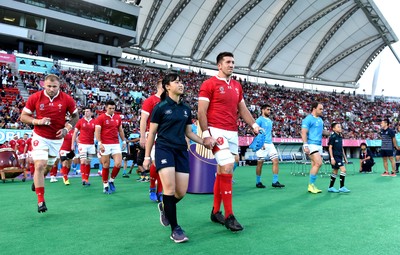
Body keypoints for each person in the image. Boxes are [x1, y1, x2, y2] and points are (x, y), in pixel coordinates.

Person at [198, 52, 260, 232]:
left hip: (233, 132)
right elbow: (202, 111)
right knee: (226, 168)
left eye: (233, 62)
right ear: (219, 65)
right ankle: (229, 216)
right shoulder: (209, 84)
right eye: (228, 62)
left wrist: (254, 125)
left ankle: (216, 211)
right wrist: (206, 134)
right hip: (216, 131)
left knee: (224, 169)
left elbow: (243, 109)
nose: (231, 65)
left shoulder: (236, 86)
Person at [144, 73, 206, 243]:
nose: (181, 84)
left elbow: (189, 133)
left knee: (181, 192)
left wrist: (204, 142)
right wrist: (147, 156)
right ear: (167, 86)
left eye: (181, 82)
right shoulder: (160, 107)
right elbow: (152, 134)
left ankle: (164, 206)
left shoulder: (186, 109)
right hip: (164, 149)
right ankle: (175, 229)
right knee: (169, 189)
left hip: (181, 151)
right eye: (176, 82)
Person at [20, 74, 78, 213]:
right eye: (49, 86)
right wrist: (37, 121)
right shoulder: (35, 97)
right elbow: (23, 117)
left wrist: (67, 128)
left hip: (57, 139)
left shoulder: (67, 99)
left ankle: (37, 181)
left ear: (59, 86)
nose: (51, 89)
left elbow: (75, 116)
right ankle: (41, 201)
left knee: (47, 168)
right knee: (39, 165)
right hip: (40, 136)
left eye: (54, 86)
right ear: (43, 85)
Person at [94, 100, 126, 194]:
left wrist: (123, 141)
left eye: (113, 108)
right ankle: (105, 185)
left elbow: (120, 130)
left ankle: (111, 180)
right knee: (106, 165)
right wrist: (100, 143)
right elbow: (97, 132)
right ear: (106, 108)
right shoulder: (101, 118)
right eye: (110, 108)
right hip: (105, 144)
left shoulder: (118, 117)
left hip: (115, 143)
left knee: (118, 164)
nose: (112, 110)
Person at [140, 79, 164, 202]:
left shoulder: (169, 101)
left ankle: (160, 190)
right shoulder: (150, 100)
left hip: (166, 135)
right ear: (161, 86)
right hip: (153, 135)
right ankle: (152, 188)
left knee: (163, 166)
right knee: (156, 163)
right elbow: (143, 120)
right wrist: (143, 136)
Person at [301, 102, 330, 194]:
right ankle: (310, 185)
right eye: (320, 109)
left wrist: (331, 133)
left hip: (319, 145)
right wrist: (305, 145)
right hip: (311, 145)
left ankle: (312, 185)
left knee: (314, 165)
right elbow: (303, 132)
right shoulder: (308, 119)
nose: (322, 110)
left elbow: (321, 131)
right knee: (319, 163)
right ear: (314, 108)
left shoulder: (320, 120)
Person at [254, 104, 285, 189]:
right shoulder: (259, 120)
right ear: (262, 110)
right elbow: (255, 131)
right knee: (260, 163)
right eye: (268, 109)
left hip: (270, 143)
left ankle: (275, 181)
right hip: (262, 143)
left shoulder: (270, 121)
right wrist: (260, 143)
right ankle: (258, 182)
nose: (269, 111)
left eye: (270, 110)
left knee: (276, 160)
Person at [72, 107, 96, 186]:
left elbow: (97, 132)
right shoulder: (80, 121)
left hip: (91, 144)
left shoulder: (94, 122)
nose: (86, 112)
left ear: (91, 113)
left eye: (88, 111)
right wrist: (73, 143)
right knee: (83, 161)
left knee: (88, 162)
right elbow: (75, 132)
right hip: (82, 144)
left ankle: (86, 178)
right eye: (85, 111)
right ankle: (83, 179)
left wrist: (98, 142)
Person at [327, 122, 350, 193]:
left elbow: (341, 147)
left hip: (339, 156)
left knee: (335, 171)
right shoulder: (333, 137)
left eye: (340, 127)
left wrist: (345, 157)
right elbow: (330, 147)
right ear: (334, 129)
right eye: (338, 127)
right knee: (343, 170)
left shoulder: (340, 136)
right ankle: (342, 187)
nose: (340, 128)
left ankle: (330, 187)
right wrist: (332, 158)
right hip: (335, 156)